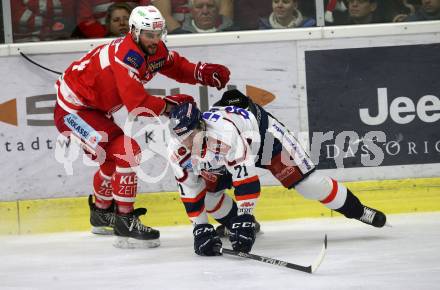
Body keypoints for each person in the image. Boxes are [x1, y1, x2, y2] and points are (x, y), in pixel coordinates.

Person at [53, 5, 230, 249]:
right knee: (127, 152)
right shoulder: (126, 56)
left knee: (109, 158)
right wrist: (169, 107)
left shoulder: (151, 47)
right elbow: (136, 103)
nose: (155, 40)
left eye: (159, 33)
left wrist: (200, 72)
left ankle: (102, 212)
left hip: (93, 108)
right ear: (135, 32)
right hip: (73, 111)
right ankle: (124, 221)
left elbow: (175, 66)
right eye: (149, 34)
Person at [167, 90, 387, 256]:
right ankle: (236, 224)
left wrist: (246, 215)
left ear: (201, 126)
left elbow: (247, 182)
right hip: (226, 152)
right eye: (180, 136)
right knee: (209, 197)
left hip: (264, 138)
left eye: (190, 134)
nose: (186, 142)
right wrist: (201, 227)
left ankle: (358, 210)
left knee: (310, 185)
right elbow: (190, 191)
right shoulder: (176, 151)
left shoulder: (225, 135)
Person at [11, 0, 77, 42]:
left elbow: (68, 10)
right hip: (23, 46)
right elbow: (17, 18)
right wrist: (50, 23)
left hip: (61, 42)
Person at [153, 0, 233, 33]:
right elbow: (164, 15)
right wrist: (184, 34)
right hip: (182, 32)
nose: (205, 11)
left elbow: (224, 11)